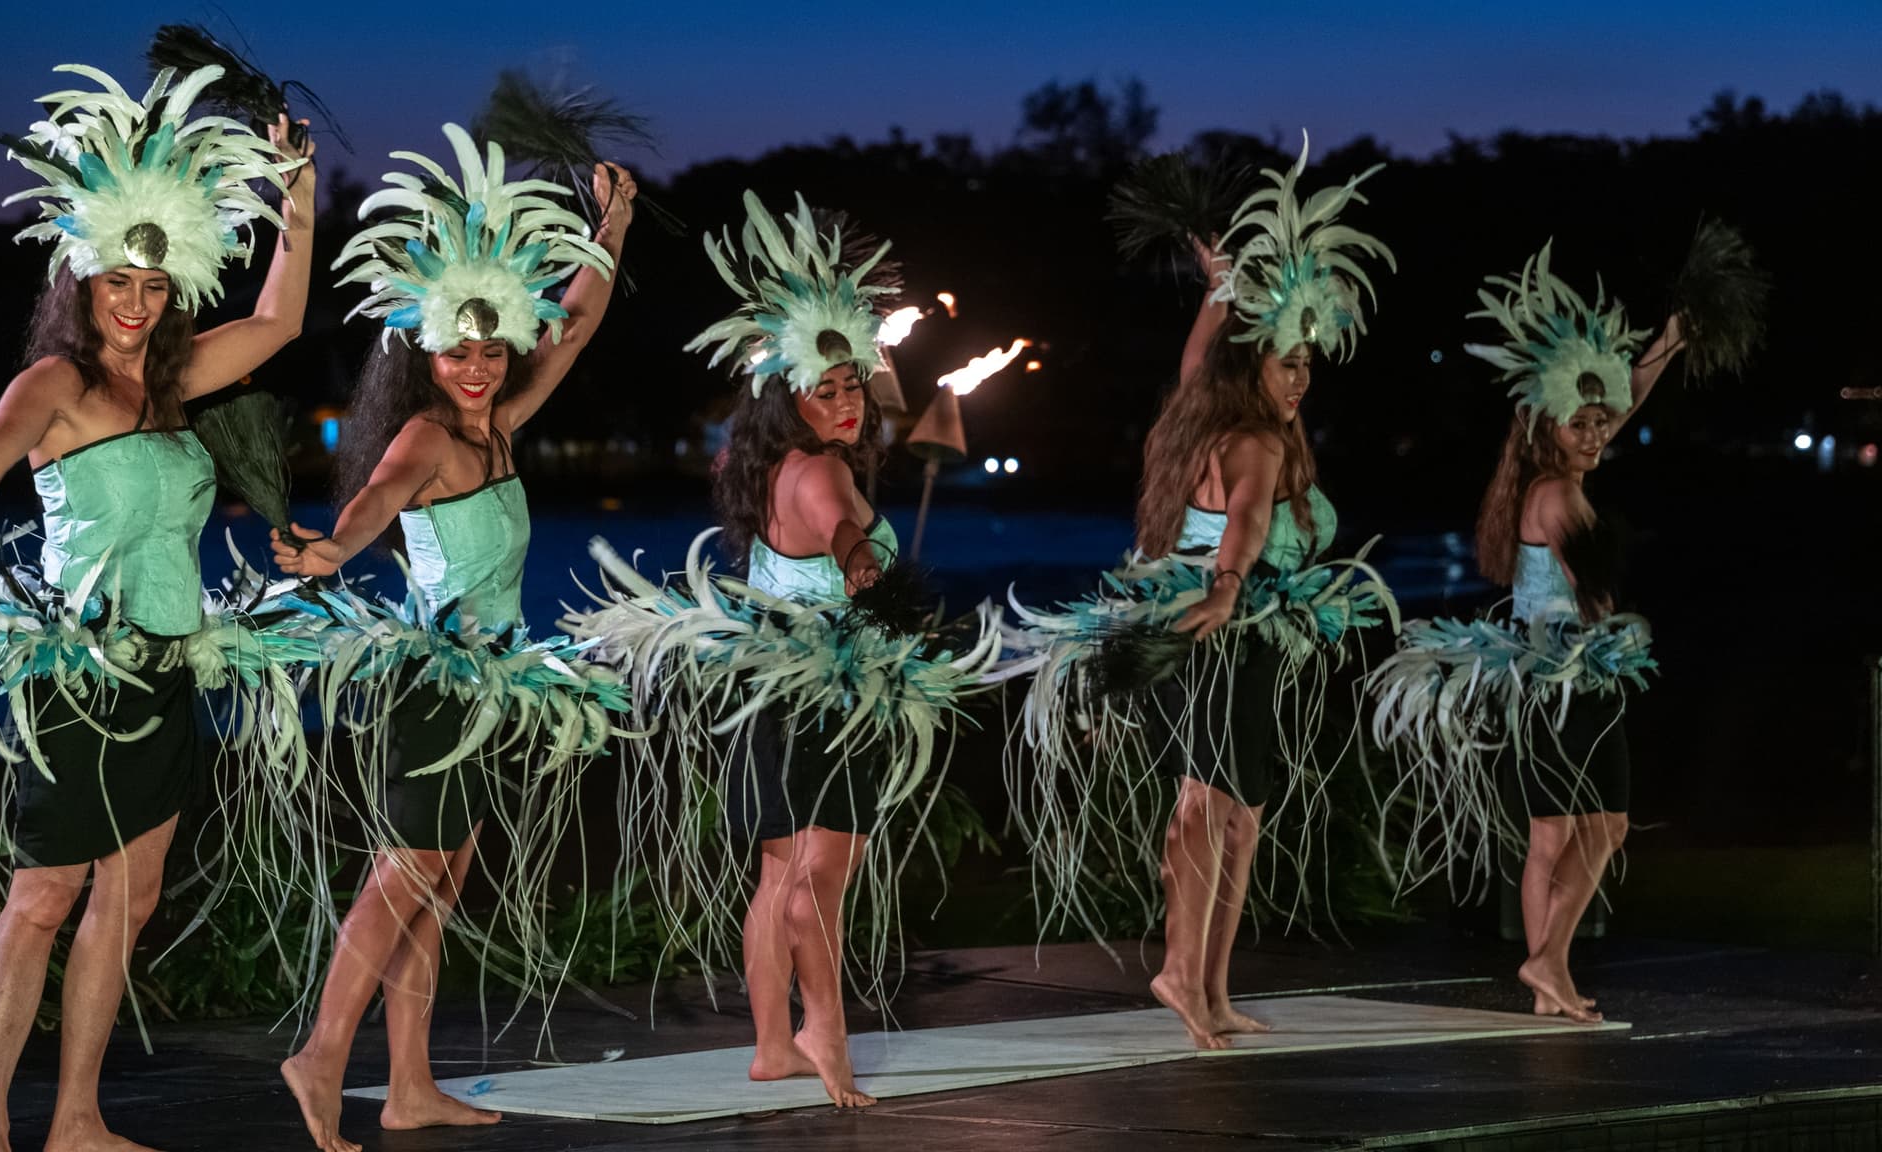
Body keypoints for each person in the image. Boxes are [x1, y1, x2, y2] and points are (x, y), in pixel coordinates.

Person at [0, 62, 310, 1152]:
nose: (136, 306)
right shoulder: (54, 384)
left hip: (167, 674)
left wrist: (298, 190)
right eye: (116, 285)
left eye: (154, 288)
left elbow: (281, 317)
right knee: (45, 895)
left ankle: (79, 1118)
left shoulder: (178, 387)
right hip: (80, 681)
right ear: (83, 279)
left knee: (130, 901)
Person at [565, 191, 1002, 1108]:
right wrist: (864, 571)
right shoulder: (827, 472)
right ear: (790, 393)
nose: (846, 402)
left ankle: (771, 1045)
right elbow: (843, 529)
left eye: (853, 386)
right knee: (819, 884)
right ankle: (826, 1033)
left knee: (776, 876)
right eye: (826, 389)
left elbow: (826, 514)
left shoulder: (770, 468)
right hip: (824, 696)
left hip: (767, 689)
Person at [270, 125, 632, 1152]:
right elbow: (374, 497)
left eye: (488, 350)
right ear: (423, 349)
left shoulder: (502, 423)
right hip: (433, 685)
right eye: (456, 351)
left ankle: (411, 1086)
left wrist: (612, 224)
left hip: (489, 689)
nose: (475, 367)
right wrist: (333, 551)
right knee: (404, 877)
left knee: (437, 888)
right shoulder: (427, 435)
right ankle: (321, 1053)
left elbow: (579, 317)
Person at [1007, 136, 1396, 1050]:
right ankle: (1181, 971)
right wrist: (1226, 589)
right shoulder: (1250, 444)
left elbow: (1195, 359)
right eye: (1284, 362)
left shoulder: (1207, 416)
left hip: (1236, 634)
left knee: (1242, 816)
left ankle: (1211, 987)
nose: (1299, 379)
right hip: (1218, 627)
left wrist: (1220, 282)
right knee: (1206, 807)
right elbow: (1249, 523)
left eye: (1308, 365)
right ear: (1251, 362)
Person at [1370, 243, 1682, 1024]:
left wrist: (1663, 350)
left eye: (1602, 422)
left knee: (1549, 835)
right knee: (1604, 825)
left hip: (1536, 683)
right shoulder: (1559, 497)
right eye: (1582, 424)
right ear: (1550, 426)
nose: (1598, 434)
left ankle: (1551, 984)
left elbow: (1616, 403)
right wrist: (1617, 621)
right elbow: (1593, 600)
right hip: (1574, 676)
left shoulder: (1541, 482)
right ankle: (1547, 958)